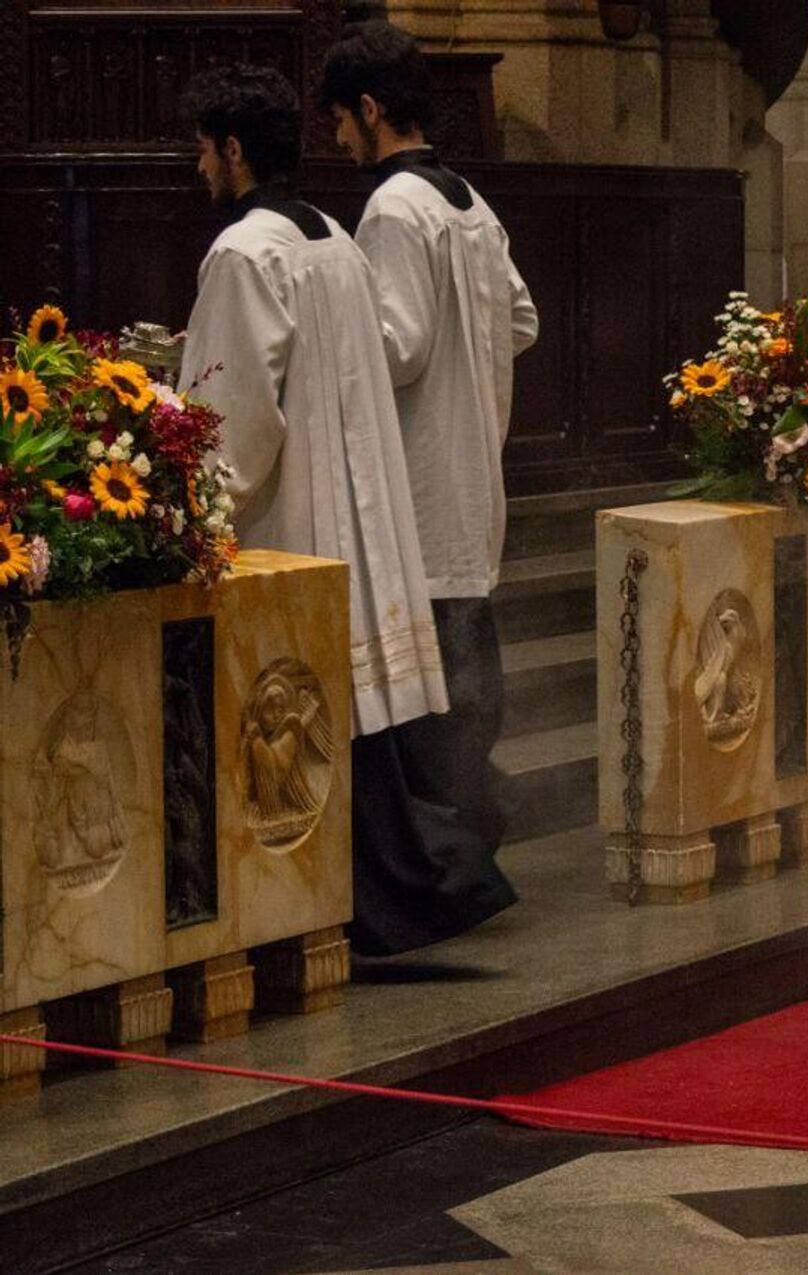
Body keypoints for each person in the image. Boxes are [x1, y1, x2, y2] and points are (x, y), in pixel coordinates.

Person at [179, 64, 518, 956]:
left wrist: (191, 503)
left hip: (293, 517)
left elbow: (238, 418)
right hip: (353, 502)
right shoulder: (331, 235)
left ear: (235, 149)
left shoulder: (245, 252)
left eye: (204, 150)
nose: (198, 168)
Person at [321, 21, 540, 857]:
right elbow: (521, 317)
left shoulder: (392, 206)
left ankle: (453, 857)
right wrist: (470, 357)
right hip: (473, 465)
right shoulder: (467, 199)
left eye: (341, 119)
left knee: (437, 683)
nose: (339, 139)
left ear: (372, 109)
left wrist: (329, 326)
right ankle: (471, 836)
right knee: (469, 661)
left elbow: (398, 345)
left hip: (420, 475)